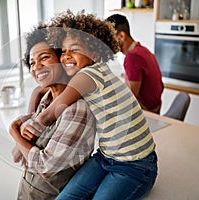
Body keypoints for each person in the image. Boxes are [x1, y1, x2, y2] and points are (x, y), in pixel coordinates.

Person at [22, 10, 158, 200]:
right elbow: (46, 91)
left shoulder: (88, 76)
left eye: (75, 49)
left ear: (94, 51)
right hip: (105, 157)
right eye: (63, 51)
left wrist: (28, 128)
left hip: (135, 165)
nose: (67, 56)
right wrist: (37, 93)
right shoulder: (97, 72)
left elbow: (55, 109)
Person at [9, 25, 95, 200]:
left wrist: (14, 131)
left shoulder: (77, 109)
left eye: (44, 57)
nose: (37, 67)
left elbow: (44, 166)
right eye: (32, 63)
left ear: (62, 60)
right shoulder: (47, 97)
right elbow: (19, 156)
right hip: (28, 190)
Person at [107, 14, 164, 114]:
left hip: (147, 116)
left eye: (109, 38)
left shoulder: (133, 57)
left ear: (121, 36)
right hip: (155, 109)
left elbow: (129, 100)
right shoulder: (142, 50)